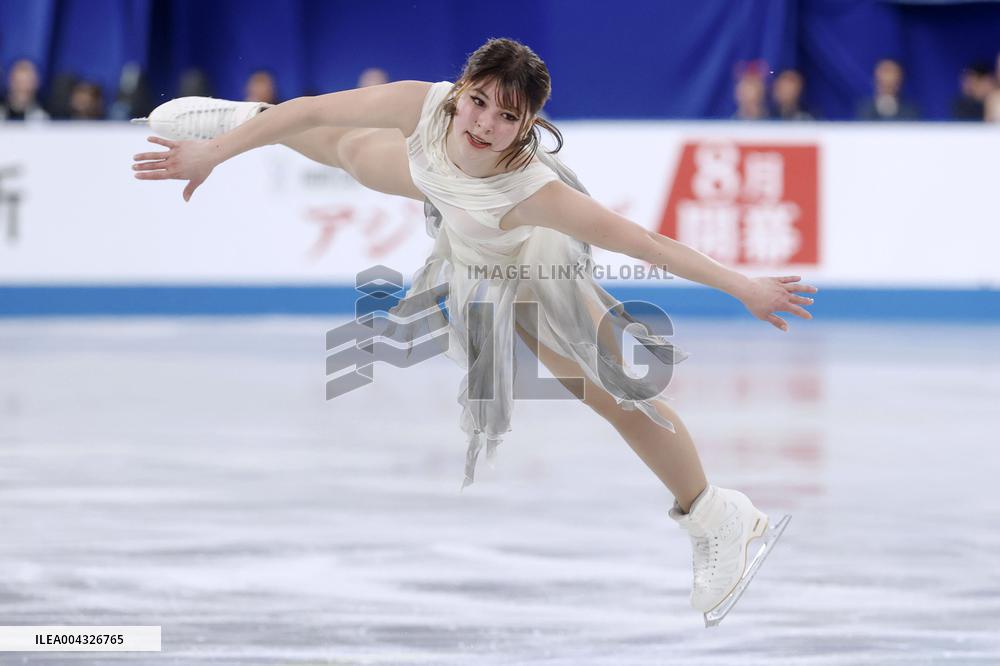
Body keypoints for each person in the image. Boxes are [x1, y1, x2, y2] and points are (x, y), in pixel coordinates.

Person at [131, 38, 815, 625]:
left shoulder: (538, 192)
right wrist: (219, 151)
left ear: (527, 128)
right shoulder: (427, 108)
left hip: (529, 258)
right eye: (479, 101)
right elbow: (311, 109)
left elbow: (648, 244)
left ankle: (715, 516)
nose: (485, 124)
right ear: (460, 91)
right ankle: (247, 118)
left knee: (614, 392)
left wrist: (745, 286)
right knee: (347, 148)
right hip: (459, 218)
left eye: (507, 116)